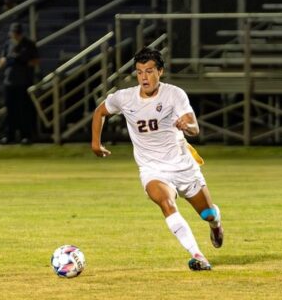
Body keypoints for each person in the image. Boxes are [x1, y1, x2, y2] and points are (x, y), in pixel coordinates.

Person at [90, 47, 224, 271]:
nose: (144, 77)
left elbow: (194, 127)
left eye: (149, 71)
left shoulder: (174, 94)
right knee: (166, 202)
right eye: (140, 72)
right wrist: (96, 143)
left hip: (182, 165)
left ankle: (216, 224)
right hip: (152, 169)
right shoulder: (124, 98)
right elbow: (100, 112)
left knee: (207, 213)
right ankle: (198, 255)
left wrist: (186, 126)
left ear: (160, 72)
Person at [0, 22, 39, 144]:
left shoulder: (29, 44)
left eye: (17, 33)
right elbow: (2, 60)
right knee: (10, 110)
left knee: (24, 110)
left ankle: (26, 135)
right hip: (9, 81)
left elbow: (35, 61)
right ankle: (9, 135)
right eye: (14, 33)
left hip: (24, 81)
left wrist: (22, 61)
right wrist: (9, 60)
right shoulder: (8, 44)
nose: (15, 35)